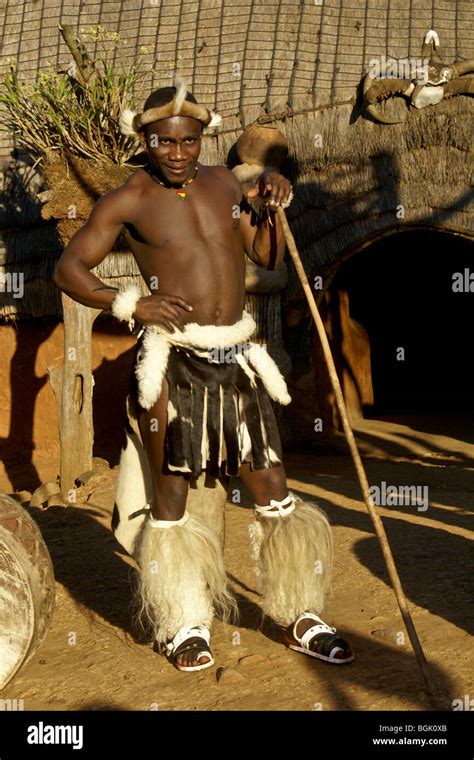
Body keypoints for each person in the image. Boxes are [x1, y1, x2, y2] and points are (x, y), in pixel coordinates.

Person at [53, 73, 354, 673]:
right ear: (146, 140)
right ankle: (183, 621)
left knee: (273, 490)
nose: (177, 152)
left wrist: (269, 208)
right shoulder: (128, 199)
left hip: (236, 362)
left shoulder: (224, 185)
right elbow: (68, 268)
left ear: (201, 139)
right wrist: (131, 304)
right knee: (172, 496)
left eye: (188, 141)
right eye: (165, 142)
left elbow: (266, 257)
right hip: (174, 364)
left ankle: (299, 611)